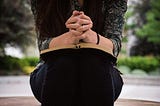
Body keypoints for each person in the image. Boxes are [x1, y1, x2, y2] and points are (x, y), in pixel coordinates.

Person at [30, 0, 128, 106]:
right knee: (63, 62)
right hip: (51, 73)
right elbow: (42, 46)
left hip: (101, 74)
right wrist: (69, 37)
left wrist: (91, 36)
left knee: (93, 62)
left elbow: (114, 47)